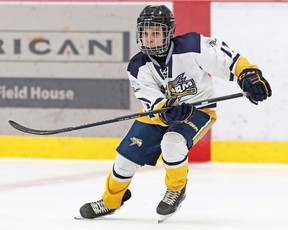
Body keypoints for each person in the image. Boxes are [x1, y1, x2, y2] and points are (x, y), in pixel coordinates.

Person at [78, 5, 272, 220]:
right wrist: (166, 109)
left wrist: (248, 75)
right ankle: (110, 201)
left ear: (169, 33)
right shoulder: (136, 66)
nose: (149, 39)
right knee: (125, 159)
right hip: (158, 114)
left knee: (172, 143)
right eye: (145, 33)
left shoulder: (192, 45)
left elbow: (229, 60)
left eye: (155, 33)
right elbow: (152, 102)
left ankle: (176, 189)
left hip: (199, 110)